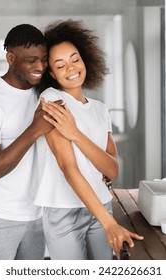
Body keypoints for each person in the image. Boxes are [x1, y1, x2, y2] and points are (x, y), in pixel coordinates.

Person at [35, 19, 143, 260]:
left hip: (100, 206)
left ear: (84, 59)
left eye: (75, 59)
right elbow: (68, 168)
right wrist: (110, 224)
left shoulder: (100, 109)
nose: (71, 68)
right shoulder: (52, 99)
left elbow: (112, 169)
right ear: (51, 73)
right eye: (60, 65)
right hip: (64, 211)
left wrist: (75, 134)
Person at [0, 24, 55, 260]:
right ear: (11, 58)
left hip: (37, 214)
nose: (40, 67)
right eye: (31, 60)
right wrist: (33, 130)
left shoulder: (43, 93)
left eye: (44, 59)